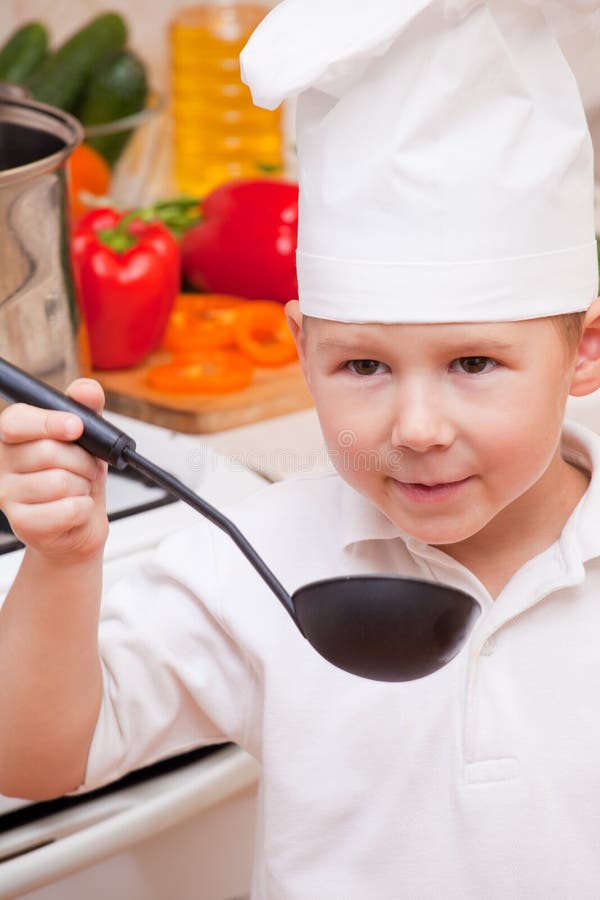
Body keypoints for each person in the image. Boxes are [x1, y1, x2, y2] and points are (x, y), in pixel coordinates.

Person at [2, 0, 600, 896]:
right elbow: (38, 761)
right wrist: (61, 562)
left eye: (474, 362)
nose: (418, 427)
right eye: (362, 364)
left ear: (584, 350)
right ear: (301, 351)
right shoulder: (257, 557)